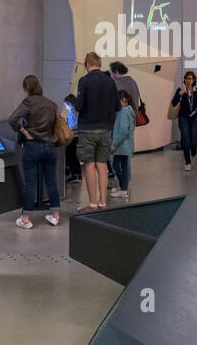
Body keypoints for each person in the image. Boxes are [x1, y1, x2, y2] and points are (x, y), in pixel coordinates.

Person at [8, 75, 62, 229]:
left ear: (27, 88)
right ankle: (55, 216)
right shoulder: (51, 104)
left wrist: (24, 131)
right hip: (50, 146)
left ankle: (25, 219)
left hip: (32, 146)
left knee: (30, 183)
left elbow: (12, 119)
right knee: (51, 180)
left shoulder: (28, 102)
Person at [73, 51, 120, 213]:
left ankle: (92, 203)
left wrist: (73, 99)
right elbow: (117, 107)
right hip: (105, 130)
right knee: (102, 166)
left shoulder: (84, 81)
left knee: (89, 166)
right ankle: (103, 202)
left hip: (87, 130)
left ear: (86, 64)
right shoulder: (110, 82)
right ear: (99, 64)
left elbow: (79, 106)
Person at [172, 72, 197, 171]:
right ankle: (187, 162)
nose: (189, 80)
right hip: (183, 118)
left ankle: (193, 151)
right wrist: (181, 93)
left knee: (193, 140)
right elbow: (173, 102)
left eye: (191, 78)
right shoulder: (180, 90)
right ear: (184, 80)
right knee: (185, 138)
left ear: (194, 80)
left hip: (193, 118)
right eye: (187, 78)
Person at [110, 90, 136, 199]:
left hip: (121, 145)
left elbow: (123, 131)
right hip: (127, 145)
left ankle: (123, 187)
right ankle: (124, 189)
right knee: (124, 166)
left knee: (116, 165)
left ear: (122, 100)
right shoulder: (130, 111)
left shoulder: (123, 113)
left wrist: (115, 143)